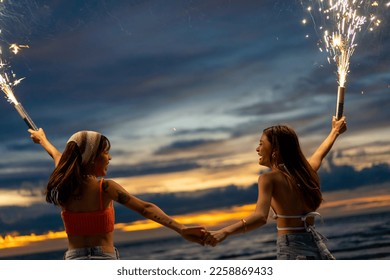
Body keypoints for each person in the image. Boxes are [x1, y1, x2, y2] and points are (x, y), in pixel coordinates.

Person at [29, 128, 204, 260]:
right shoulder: (104, 188)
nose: (110, 158)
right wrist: (181, 229)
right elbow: (145, 208)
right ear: (91, 157)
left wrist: (42, 139)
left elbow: (57, 155)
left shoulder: (63, 183)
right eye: (105, 152)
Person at [203, 116, 347, 260]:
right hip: (317, 248)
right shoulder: (306, 173)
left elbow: (260, 217)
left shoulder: (268, 179)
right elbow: (320, 154)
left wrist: (224, 232)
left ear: (275, 150)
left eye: (261, 144)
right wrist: (335, 131)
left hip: (292, 250)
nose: (257, 149)